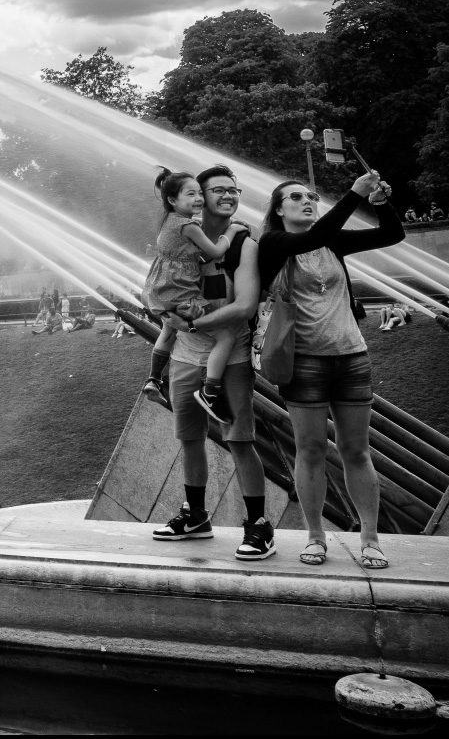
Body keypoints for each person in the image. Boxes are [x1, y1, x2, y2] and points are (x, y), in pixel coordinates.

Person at [258, 169, 402, 569]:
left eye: (310, 196)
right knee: (312, 449)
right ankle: (316, 536)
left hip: (352, 356)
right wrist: (353, 196)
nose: (307, 200)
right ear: (278, 209)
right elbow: (312, 237)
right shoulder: (274, 243)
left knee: (357, 450)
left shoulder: (332, 241)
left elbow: (392, 236)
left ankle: (370, 538)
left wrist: (379, 204)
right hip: (303, 361)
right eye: (296, 197)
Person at [153, 165, 271, 558]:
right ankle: (197, 515)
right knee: (189, 440)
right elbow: (155, 285)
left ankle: (257, 524)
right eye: (217, 189)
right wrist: (163, 313)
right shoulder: (182, 237)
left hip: (230, 355)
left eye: (233, 190)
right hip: (187, 358)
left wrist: (191, 323)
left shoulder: (243, 245)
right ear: (198, 195)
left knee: (240, 440)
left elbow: (245, 305)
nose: (227, 196)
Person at [140, 168, 247, 420]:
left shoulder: (168, 221)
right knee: (226, 338)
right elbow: (216, 249)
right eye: (191, 194)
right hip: (183, 295)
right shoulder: (189, 226)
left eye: (200, 193)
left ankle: (154, 378)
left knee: (168, 329)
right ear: (173, 200)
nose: (198, 198)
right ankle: (210, 391)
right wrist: (232, 231)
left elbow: (195, 256)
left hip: (161, 290)